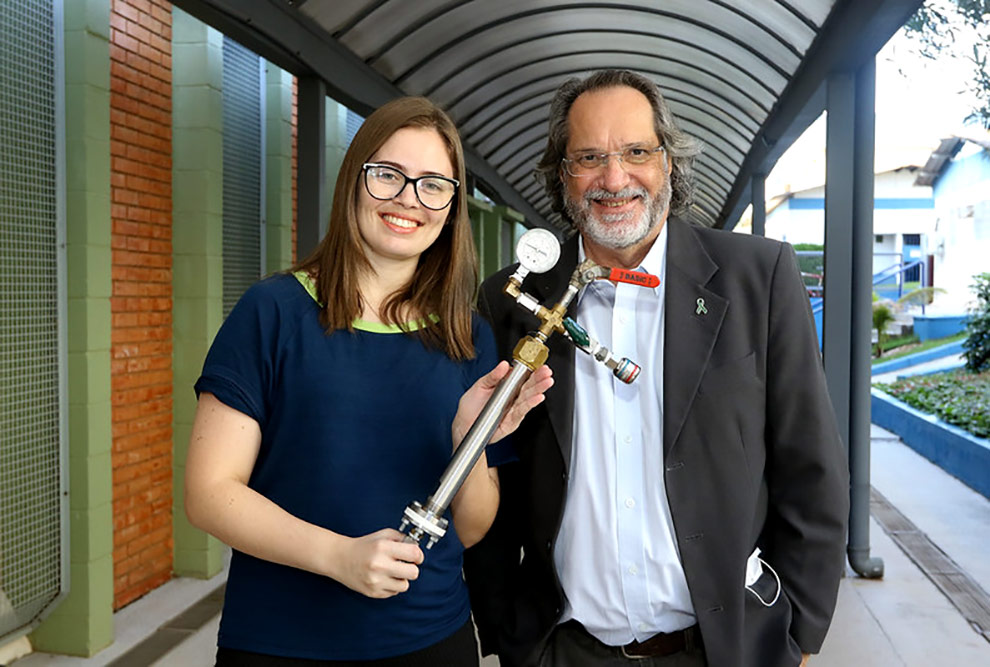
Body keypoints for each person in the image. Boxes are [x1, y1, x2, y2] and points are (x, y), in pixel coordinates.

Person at [465, 69, 849, 667]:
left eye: (637, 152)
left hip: (723, 650)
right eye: (588, 157)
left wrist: (796, 636)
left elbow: (812, 468)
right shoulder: (512, 300)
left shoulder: (759, 277)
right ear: (562, 175)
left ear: (668, 162)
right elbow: (493, 475)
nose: (614, 178)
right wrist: (505, 630)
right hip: (562, 651)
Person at [184, 96, 553, 666]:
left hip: (433, 641)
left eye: (434, 184)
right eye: (388, 175)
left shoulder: (468, 336)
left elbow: (475, 529)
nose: (409, 199)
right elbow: (210, 494)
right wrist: (336, 556)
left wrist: (467, 443)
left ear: (452, 206)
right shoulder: (274, 312)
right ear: (354, 181)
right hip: (281, 643)